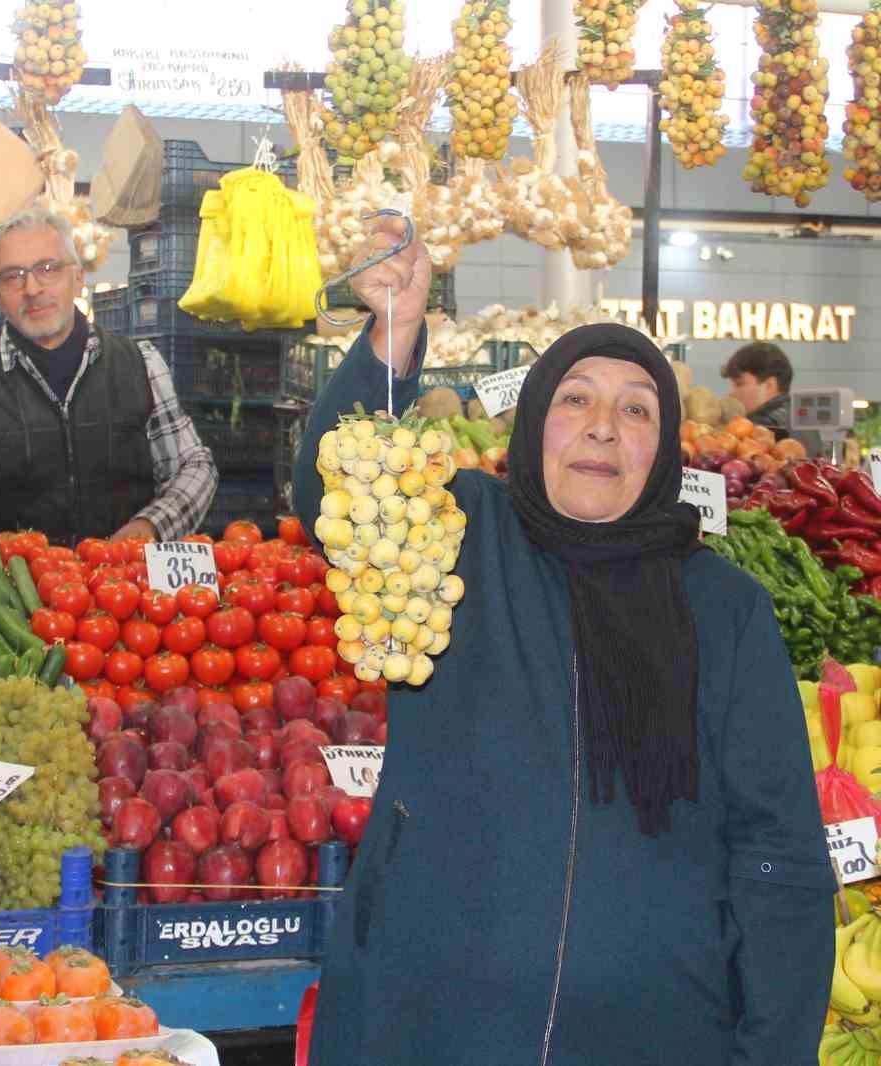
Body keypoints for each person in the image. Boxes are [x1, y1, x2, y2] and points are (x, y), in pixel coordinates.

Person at [294, 220, 832, 1065]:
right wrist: (394, 331)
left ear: (665, 449)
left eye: (636, 409)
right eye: (575, 398)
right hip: (425, 1017)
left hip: (655, 1035)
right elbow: (331, 484)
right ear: (535, 420)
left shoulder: (725, 610)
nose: (603, 428)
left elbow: (780, 856)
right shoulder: (457, 535)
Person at [0, 205, 216, 544]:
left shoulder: (141, 363)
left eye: (48, 268)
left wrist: (151, 527)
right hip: (19, 589)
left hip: (128, 585)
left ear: (77, 278)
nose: (32, 288)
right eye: (13, 276)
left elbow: (194, 466)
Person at [722, 340, 794, 439]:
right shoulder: (797, 418)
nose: (731, 393)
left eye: (739, 384)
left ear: (769, 386)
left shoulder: (764, 426)